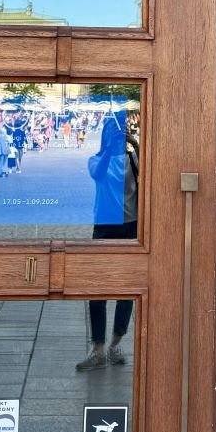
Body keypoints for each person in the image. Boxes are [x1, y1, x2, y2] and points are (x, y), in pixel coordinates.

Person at [76, 105, 140, 372]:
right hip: (104, 228)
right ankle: (98, 348)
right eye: (112, 132)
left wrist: (134, 144)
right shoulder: (96, 160)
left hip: (131, 228)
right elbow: (98, 173)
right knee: (98, 290)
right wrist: (108, 147)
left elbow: (152, 177)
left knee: (126, 290)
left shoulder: (134, 159)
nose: (117, 135)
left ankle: (115, 344)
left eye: (119, 131)